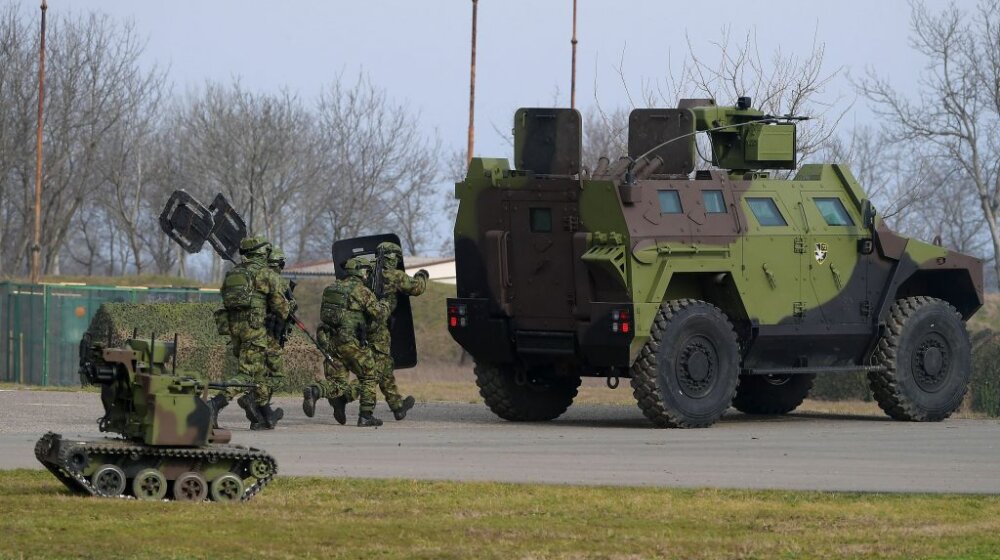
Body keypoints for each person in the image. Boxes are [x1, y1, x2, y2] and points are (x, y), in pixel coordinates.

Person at [207, 235, 293, 430]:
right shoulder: (266, 274)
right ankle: (215, 403)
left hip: (234, 329)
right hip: (254, 329)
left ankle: (263, 417)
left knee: (258, 372)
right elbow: (282, 310)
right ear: (262, 252)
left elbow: (226, 298)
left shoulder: (233, 273)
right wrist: (288, 306)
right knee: (247, 374)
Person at [302, 257, 389, 427]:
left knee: (338, 383)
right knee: (370, 375)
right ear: (361, 271)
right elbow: (379, 315)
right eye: (366, 271)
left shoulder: (331, 288)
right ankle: (365, 416)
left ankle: (315, 391)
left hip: (330, 343)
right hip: (351, 343)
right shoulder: (362, 292)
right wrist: (384, 302)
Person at [370, 241, 429, 421]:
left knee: (383, 366)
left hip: (363, 326)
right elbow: (416, 288)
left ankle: (397, 406)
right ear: (393, 257)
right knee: (375, 371)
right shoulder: (394, 275)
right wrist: (422, 275)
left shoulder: (367, 273)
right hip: (379, 327)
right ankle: (343, 397)